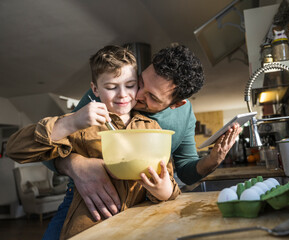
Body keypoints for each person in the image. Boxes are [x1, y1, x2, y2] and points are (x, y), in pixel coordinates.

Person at [43, 44, 242, 239]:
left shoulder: (184, 113)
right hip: (89, 197)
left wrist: (213, 160)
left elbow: (186, 171)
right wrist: (75, 165)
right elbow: (46, 146)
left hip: (148, 201)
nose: (134, 95)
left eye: (152, 97)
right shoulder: (105, 96)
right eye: (140, 82)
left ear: (176, 104)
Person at [6, 45, 181, 239]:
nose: (123, 94)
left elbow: (169, 181)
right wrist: (71, 122)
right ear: (95, 89)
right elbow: (15, 150)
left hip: (139, 228)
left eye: (130, 85)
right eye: (112, 87)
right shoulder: (80, 126)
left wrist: (165, 191)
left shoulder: (153, 129)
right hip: (90, 228)